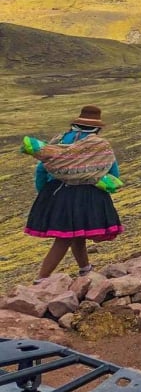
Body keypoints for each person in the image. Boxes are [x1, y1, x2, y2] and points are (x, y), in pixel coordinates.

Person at [20, 105, 123, 280]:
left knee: (77, 234)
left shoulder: (58, 141)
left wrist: (45, 194)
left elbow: (41, 169)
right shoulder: (100, 145)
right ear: (97, 127)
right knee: (64, 238)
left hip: (57, 192)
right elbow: (113, 172)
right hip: (87, 195)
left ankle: (85, 269)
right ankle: (41, 279)